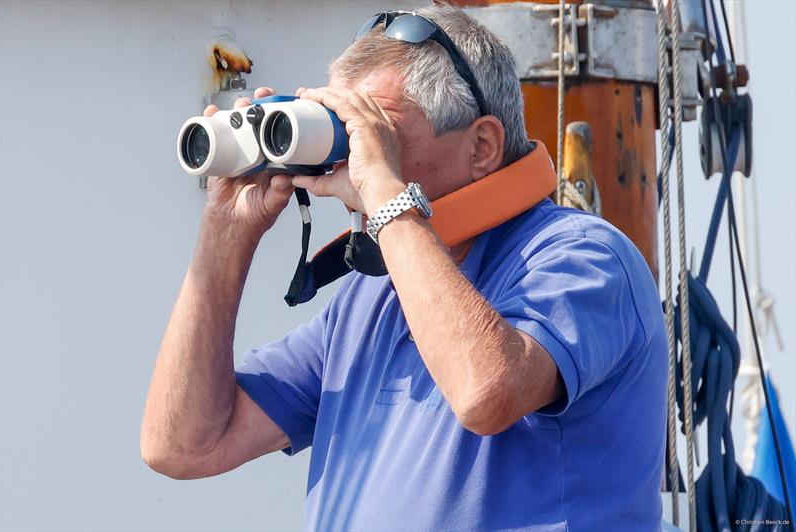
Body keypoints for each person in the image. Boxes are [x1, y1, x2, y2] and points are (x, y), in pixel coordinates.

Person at [141, 4, 668, 530]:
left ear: (483, 146)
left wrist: (386, 194)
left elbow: (485, 393)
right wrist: (225, 235)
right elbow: (183, 445)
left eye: (380, 135)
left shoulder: (584, 257)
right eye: (350, 134)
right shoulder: (367, 305)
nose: (360, 160)